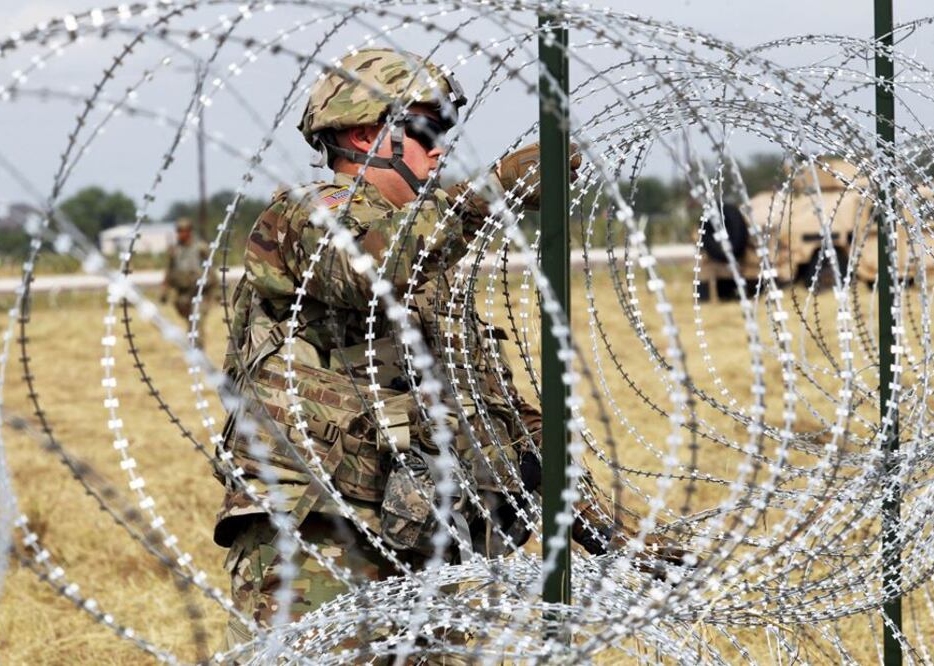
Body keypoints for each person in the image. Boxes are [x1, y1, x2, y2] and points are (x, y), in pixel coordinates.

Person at [213, 48, 682, 660]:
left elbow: (506, 423)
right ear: (364, 134)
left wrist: (607, 525)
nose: (439, 150)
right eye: (426, 130)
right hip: (317, 538)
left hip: (426, 546)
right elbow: (367, 270)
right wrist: (489, 193)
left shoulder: (434, 272)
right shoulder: (303, 218)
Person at [161, 217, 211, 349]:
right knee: (190, 322)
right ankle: (193, 348)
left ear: (189, 231)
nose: (179, 234)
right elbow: (169, 271)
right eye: (178, 231)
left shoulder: (200, 248)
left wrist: (213, 290)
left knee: (197, 321)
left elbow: (210, 271)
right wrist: (164, 290)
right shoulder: (175, 250)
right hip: (183, 294)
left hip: (200, 293)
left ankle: (198, 351)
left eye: (182, 231)